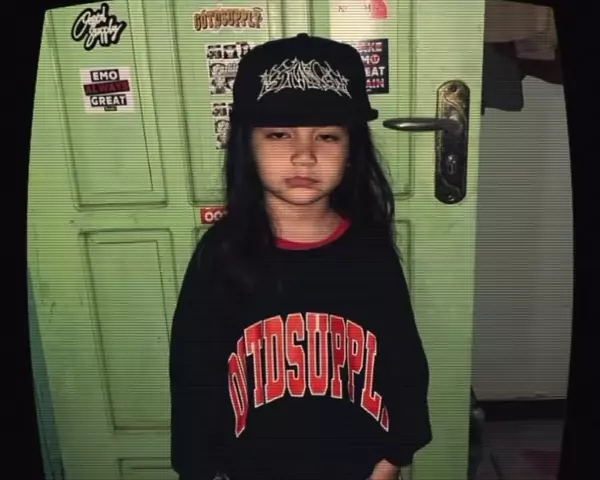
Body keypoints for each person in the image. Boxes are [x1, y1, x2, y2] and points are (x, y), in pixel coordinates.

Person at [169, 33, 432, 480]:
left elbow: (403, 363)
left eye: (327, 136)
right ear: (245, 144)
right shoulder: (219, 257)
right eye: (279, 134)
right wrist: (200, 469)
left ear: (352, 150)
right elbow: (194, 378)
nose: (304, 155)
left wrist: (392, 458)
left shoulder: (369, 251)